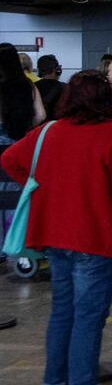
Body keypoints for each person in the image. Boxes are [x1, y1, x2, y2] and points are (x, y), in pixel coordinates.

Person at [0, 70, 112, 385]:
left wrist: (40, 184)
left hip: (55, 237)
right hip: (96, 239)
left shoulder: (48, 132)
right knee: (89, 316)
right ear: (105, 102)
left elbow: (9, 160)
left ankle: (54, 384)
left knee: (63, 313)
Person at [0, 43, 45, 254]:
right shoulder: (28, 85)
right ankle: (16, 243)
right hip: (21, 144)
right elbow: (41, 116)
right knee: (16, 195)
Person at [35, 54, 65, 121]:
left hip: (39, 127)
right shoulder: (65, 88)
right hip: (57, 125)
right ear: (58, 70)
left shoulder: (33, 88)